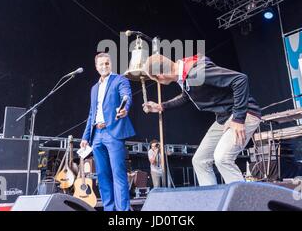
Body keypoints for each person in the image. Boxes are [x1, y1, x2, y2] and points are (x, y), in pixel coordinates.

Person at [142, 54, 261, 186]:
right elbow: (186, 97)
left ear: (160, 75)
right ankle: (212, 202)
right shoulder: (185, 76)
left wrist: (239, 119)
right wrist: (161, 106)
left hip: (244, 113)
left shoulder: (196, 72)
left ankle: (242, 203)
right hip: (224, 118)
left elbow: (240, 79)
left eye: (155, 79)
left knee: (222, 158)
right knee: (199, 160)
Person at [80, 52, 135, 211]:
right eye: (101, 64)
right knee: (103, 177)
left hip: (113, 133)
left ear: (111, 64)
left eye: (107, 63)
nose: (104, 66)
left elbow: (126, 96)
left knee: (118, 174)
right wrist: (85, 137)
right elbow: (91, 113)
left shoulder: (120, 80)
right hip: (96, 135)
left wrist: (124, 108)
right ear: (96, 67)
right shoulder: (94, 88)